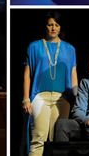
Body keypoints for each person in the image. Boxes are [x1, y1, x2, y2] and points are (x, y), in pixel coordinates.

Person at [23, 13, 78, 156]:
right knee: (38, 139)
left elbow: (73, 74)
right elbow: (27, 74)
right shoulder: (34, 46)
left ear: (61, 27)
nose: (53, 28)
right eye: (50, 24)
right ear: (45, 26)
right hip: (40, 96)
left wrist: (76, 97)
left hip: (63, 98)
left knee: (58, 142)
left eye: (56, 25)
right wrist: (26, 98)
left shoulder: (70, 49)